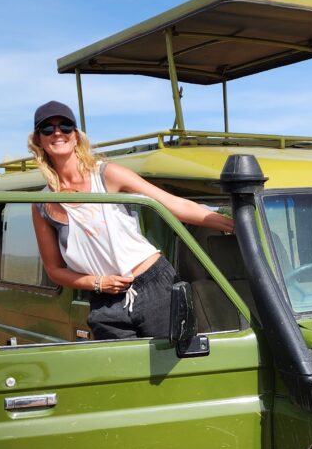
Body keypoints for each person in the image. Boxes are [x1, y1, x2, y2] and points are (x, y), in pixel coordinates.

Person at [28, 100, 234, 339]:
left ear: (76, 136)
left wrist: (232, 225)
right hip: (105, 302)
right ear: (38, 140)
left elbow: (174, 205)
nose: (57, 133)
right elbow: (54, 269)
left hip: (153, 285)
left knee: (175, 368)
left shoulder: (107, 175)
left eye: (65, 126)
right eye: (47, 129)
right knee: (123, 373)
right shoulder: (41, 202)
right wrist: (98, 283)